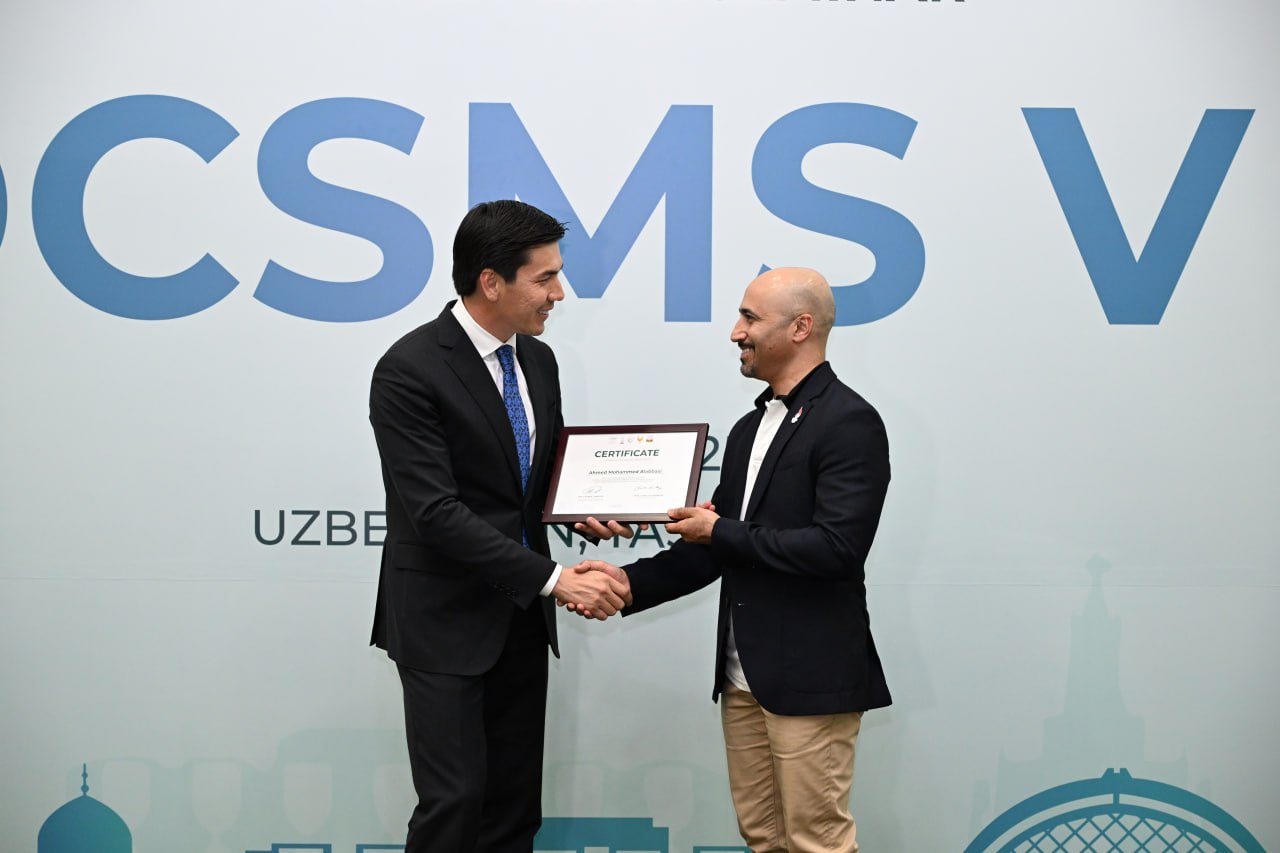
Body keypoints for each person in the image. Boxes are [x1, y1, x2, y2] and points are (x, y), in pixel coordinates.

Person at [574, 267, 892, 853]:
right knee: (763, 837)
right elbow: (715, 550)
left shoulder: (849, 422)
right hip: (742, 678)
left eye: (749, 318)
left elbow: (836, 549)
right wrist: (626, 582)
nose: (735, 332)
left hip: (810, 678)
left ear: (800, 327)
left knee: (816, 841)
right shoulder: (748, 429)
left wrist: (721, 530)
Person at [368, 199, 632, 853]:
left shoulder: (538, 361)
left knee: (514, 808)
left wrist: (574, 505)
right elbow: (436, 514)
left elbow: (528, 480)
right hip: (444, 623)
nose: (559, 294)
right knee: (455, 804)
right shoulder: (409, 368)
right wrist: (555, 579)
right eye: (545, 278)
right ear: (491, 281)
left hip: (519, 619)